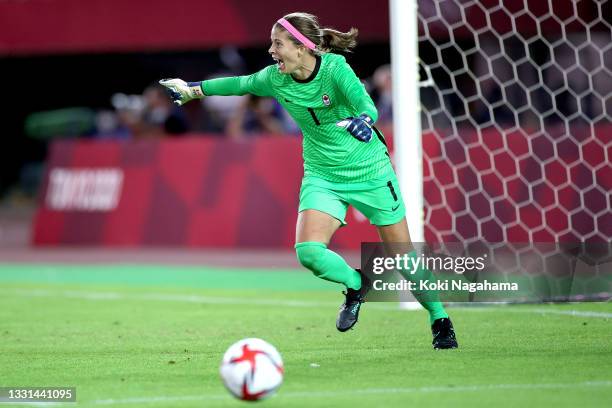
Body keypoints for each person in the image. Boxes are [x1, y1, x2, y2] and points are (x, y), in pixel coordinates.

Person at [159, 12, 458, 349]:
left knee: (403, 258)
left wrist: (364, 120)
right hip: (322, 174)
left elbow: (366, 105)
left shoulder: (335, 69)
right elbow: (240, 83)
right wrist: (193, 90)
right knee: (309, 253)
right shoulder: (275, 78)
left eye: (278, 44)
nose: (272, 51)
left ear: (302, 47)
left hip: (370, 172)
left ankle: (439, 317)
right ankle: (357, 283)